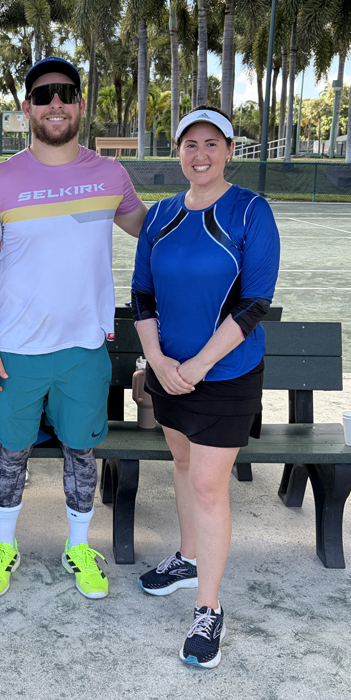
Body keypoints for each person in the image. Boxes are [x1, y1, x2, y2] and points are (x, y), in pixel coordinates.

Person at [0, 57, 147, 600]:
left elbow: (152, 233)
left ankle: (79, 548)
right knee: (12, 453)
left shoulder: (111, 175)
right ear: (27, 107)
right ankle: (5, 546)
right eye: (44, 94)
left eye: (66, 93)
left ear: (80, 104)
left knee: (80, 454)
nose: (55, 103)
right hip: (16, 350)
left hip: (83, 351)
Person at [130, 106, 280, 668]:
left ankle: (208, 608)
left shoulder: (252, 211)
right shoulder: (161, 215)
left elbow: (255, 302)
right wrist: (157, 360)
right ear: (178, 151)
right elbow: (142, 294)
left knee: (210, 487)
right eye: (190, 144)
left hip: (226, 375)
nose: (200, 154)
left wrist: (196, 366)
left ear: (230, 150)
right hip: (169, 373)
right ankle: (188, 557)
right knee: (183, 465)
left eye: (212, 144)